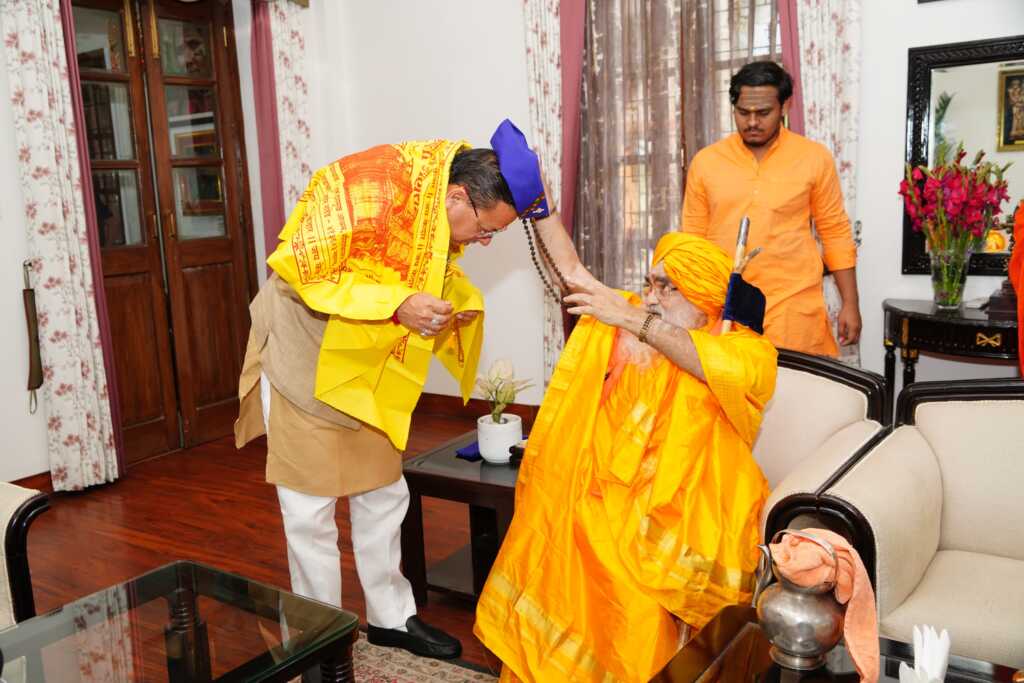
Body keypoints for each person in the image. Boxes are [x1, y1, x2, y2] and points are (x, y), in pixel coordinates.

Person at [234, 121, 549, 659]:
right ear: (458, 197)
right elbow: (306, 273)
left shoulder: (437, 204)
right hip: (305, 351)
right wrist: (400, 305)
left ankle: (390, 617)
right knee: (310, 510)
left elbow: (421, 268)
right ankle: (319, 636)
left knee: (382, 493)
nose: (483, 242)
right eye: (486, 230)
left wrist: (448, 304)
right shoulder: (364, 188)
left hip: (368, 358)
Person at [474, 211, 778, 681]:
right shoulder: (629, 327)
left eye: (666, 288)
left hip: (686, 518)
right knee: (554, 543)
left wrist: (634, 318)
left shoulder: (745, 352)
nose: (650, 297)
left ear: (704, 298)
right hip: (604, 496)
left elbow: (712, 365)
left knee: (630, 596)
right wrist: (539, 207)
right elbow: (573, 272)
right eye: (649, 284)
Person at [682, 60, 861, 357]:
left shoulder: (813, 158)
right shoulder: (706, 162)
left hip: (792, 307)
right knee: (726, 386)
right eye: (743, 112)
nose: (752, 122)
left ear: (785, 106)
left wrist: (850, 304)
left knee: (794, 386)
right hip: (723, 307)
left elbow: (835, 233)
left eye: (763, 113)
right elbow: (692, 241)